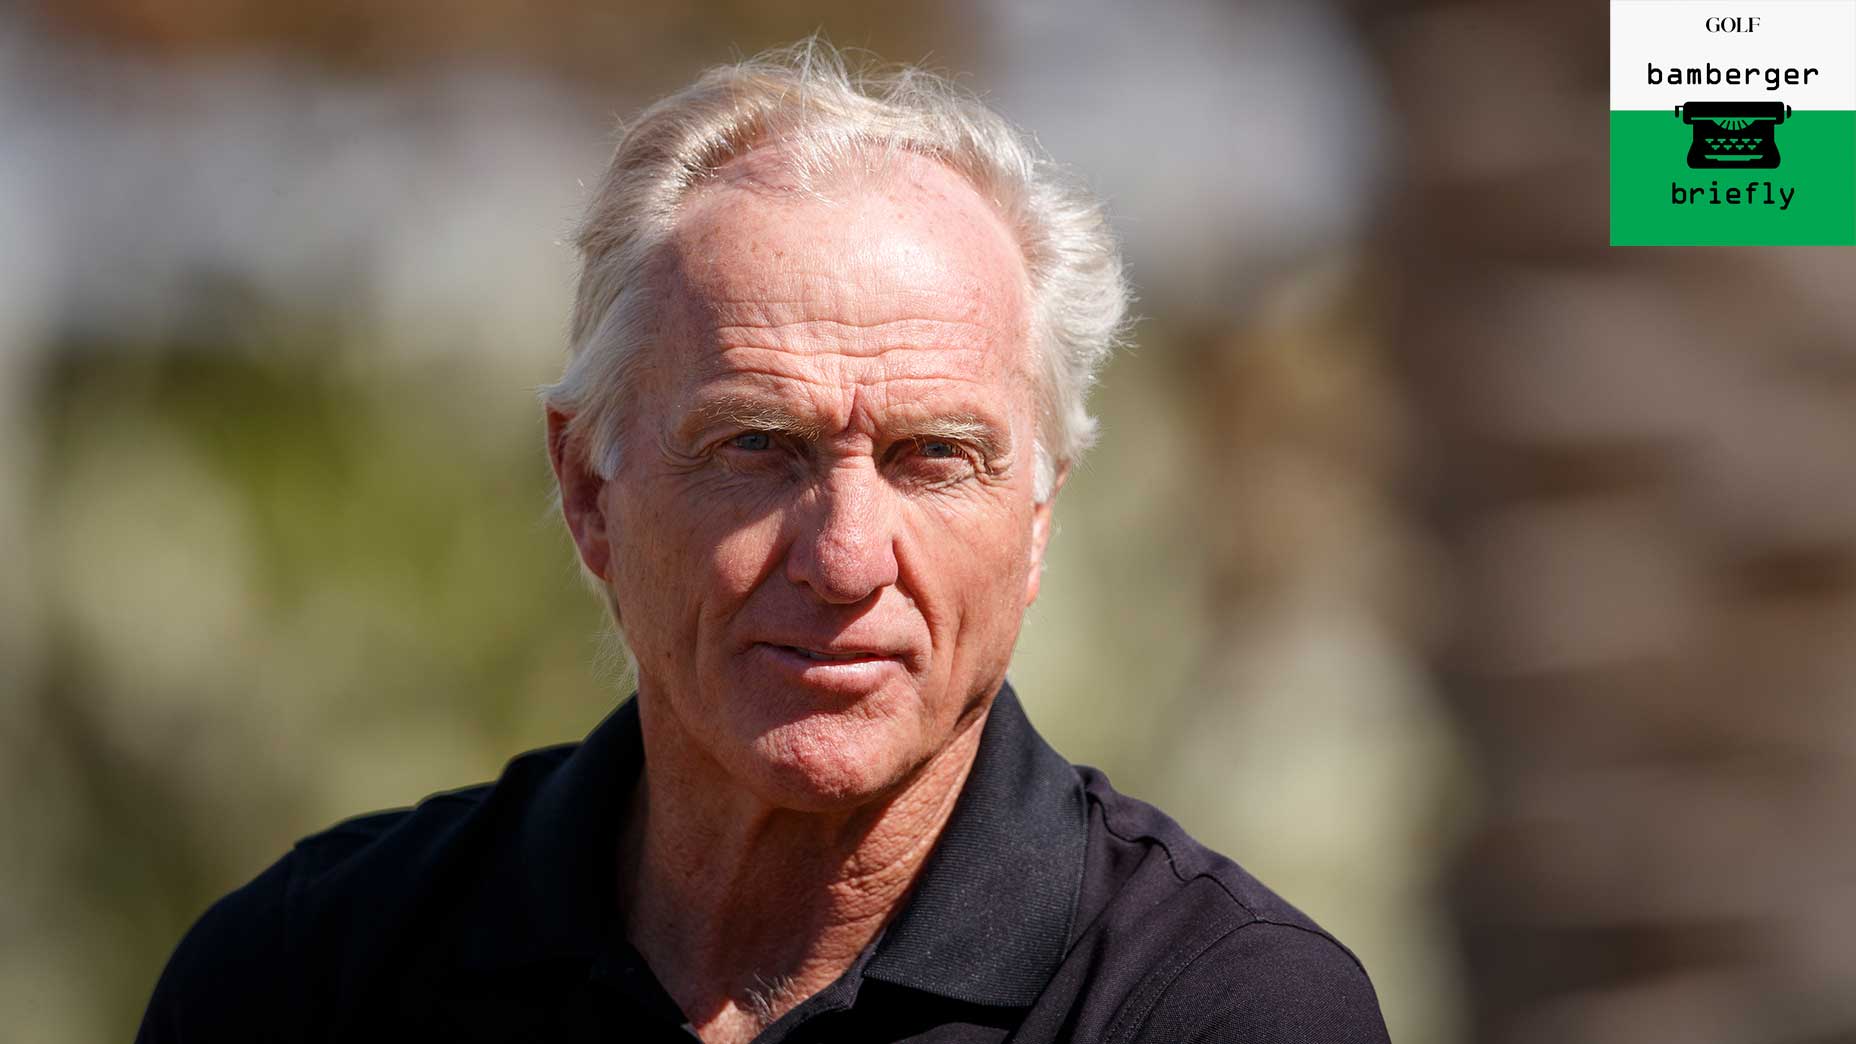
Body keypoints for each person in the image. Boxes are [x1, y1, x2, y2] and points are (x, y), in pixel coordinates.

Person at [138, 40, 1390, 1044]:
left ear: (1038, 516)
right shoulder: (309, 975)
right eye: (756, 448)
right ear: (587, 489)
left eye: (932, 458)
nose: (845, 559)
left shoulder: (1216, 1009)